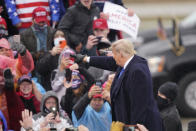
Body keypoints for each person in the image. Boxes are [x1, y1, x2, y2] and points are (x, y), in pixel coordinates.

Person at [73, 39, 163, 131]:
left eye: (114, 54)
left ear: (120, 54)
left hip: (141, 125)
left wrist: (133, 127)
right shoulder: (126, 62)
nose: (113, 57)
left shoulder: (137, 71)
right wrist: (85, 59)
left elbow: (139, 104)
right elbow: (108, 62)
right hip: (125, 122)